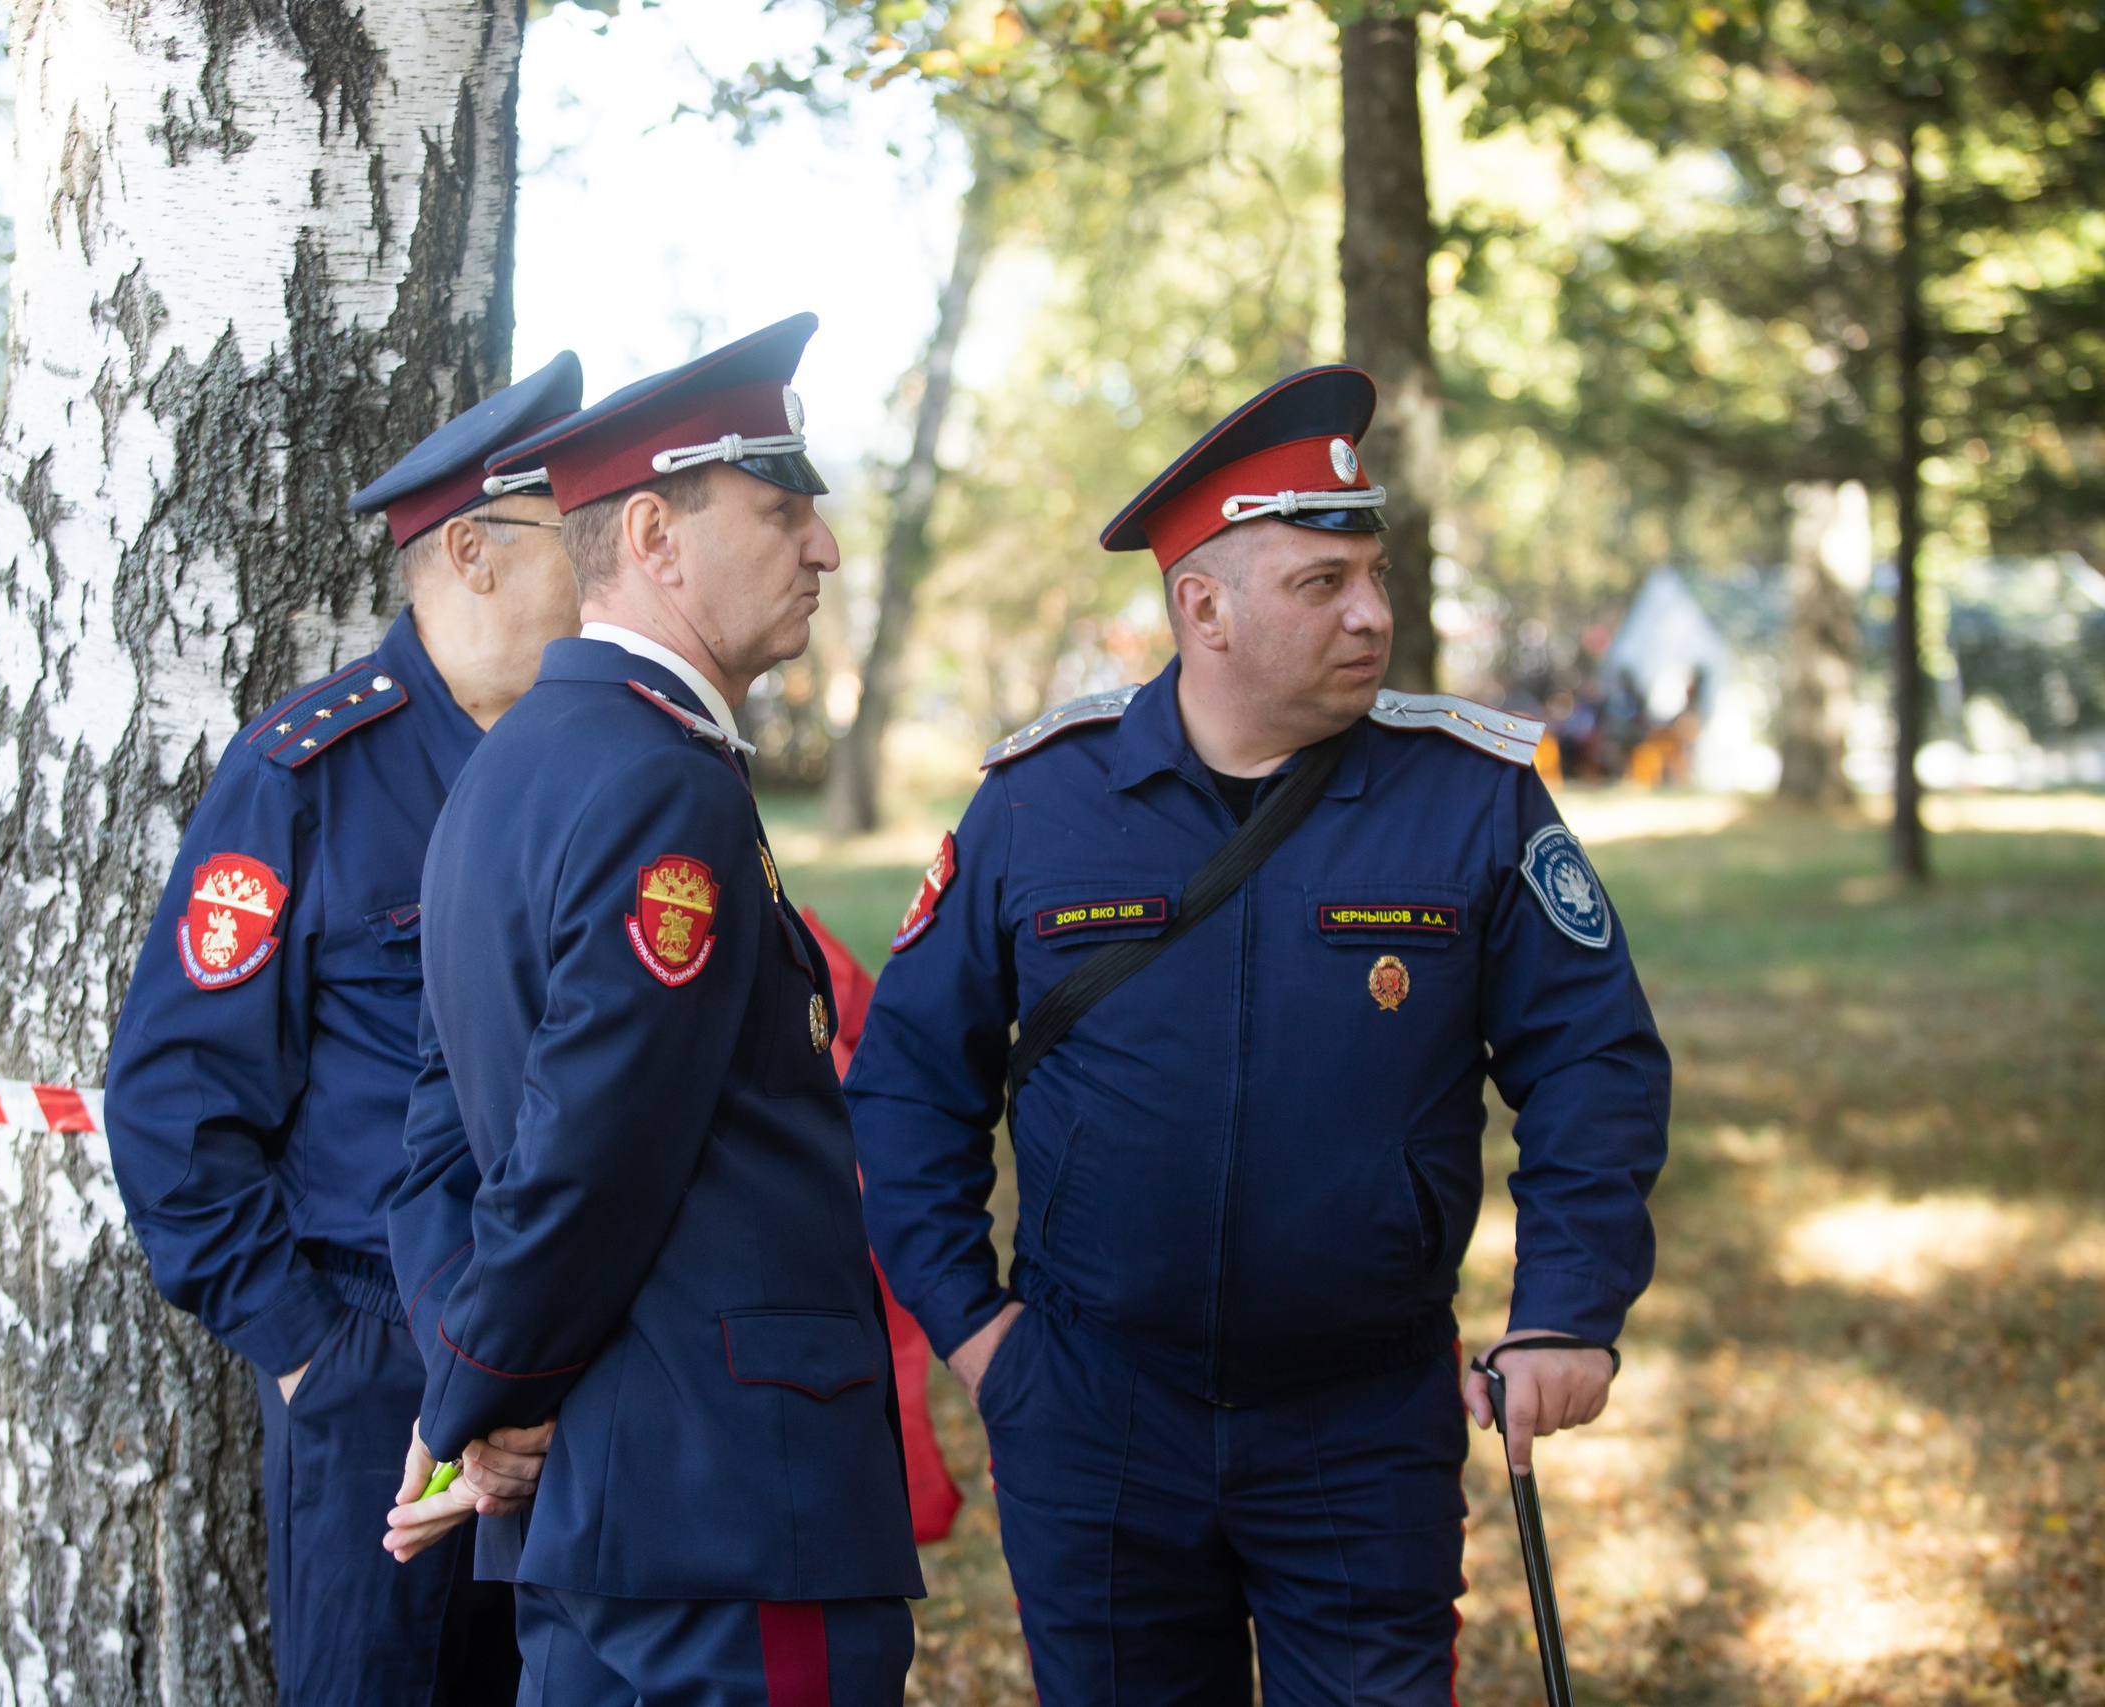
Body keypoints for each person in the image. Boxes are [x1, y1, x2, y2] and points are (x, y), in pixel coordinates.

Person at [844, 366, 1672, 1707]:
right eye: (1322, 584)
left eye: (1375, 576)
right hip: (1090, 1416)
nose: (1374, 614)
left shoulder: (1471, 800)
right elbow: (907, 1087)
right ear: (1203, 608)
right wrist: (977, 1332)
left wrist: (1567, 1312)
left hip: (1362, 1417)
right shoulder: (1039, 805)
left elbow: (1595, 1063)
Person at [381, 313, 923, 1707]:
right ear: (655, 539)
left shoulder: (499, 777)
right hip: (729, 1514)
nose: (826, 548)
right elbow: (590, 1151)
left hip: (598, 1521)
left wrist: (476, 1392)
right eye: (782, 509)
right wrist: (475, 1401)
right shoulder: (661, 784)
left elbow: (439, 1149)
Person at [101, 353, 591, 1707]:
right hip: (384, 1353)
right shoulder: (304, 775)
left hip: (585, 1364)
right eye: (578, 537)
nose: (610, 571)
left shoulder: (609, 766)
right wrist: (321, 1352)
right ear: (476, 558)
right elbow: (171, 1105)